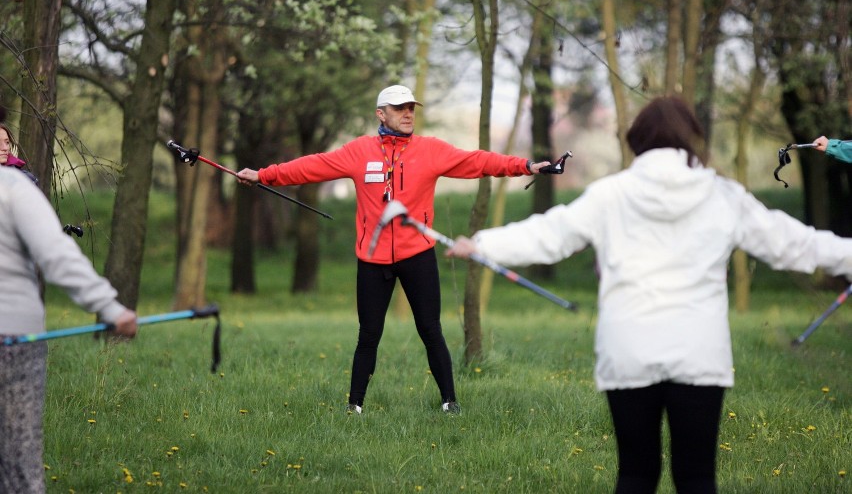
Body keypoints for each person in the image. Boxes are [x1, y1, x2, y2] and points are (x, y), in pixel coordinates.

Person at [446, 96, 852, 493]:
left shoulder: (612, 194)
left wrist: (482, 244)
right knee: (697, 479)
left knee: (636, 476)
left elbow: (551, 235)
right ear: (690, 138)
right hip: (698, 353)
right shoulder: (721, 194)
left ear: (636, 140)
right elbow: (792, 242)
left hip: (629, 350)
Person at [237, 84, 552, 415]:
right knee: (368, 335)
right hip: (372, 260)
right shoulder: (359, 152)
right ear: (380, 113)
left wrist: (527, 166)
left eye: (411, 108)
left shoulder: (429, 150)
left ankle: (450, 403)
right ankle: (354, 407)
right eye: (400, 108)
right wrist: (263, 176)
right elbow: (312, 166)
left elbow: (477, 161)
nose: (407, 114)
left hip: (417, 256)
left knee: (431, 330)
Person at [0, 165, 138, 493]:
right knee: (19, 466)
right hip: (13, 342)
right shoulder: (13, 187)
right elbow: (56, 254)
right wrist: (109, 306)